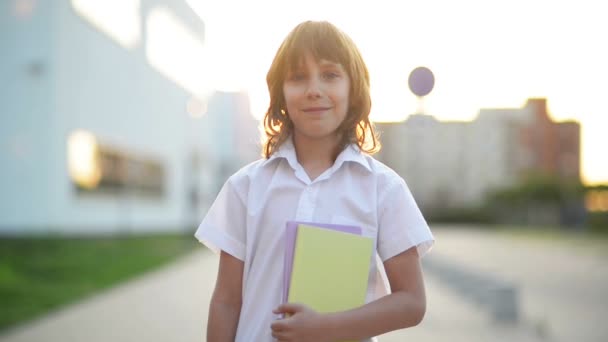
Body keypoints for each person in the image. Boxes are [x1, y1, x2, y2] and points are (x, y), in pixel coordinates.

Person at [195, 20, 434, 342]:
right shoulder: (245, 187)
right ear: (280, 92)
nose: (314, 89)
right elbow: (226, 301)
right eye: (297, 77)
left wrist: (326, 328)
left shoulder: (384, 189)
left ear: (355, 89)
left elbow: (411, 302)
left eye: (330, 75)